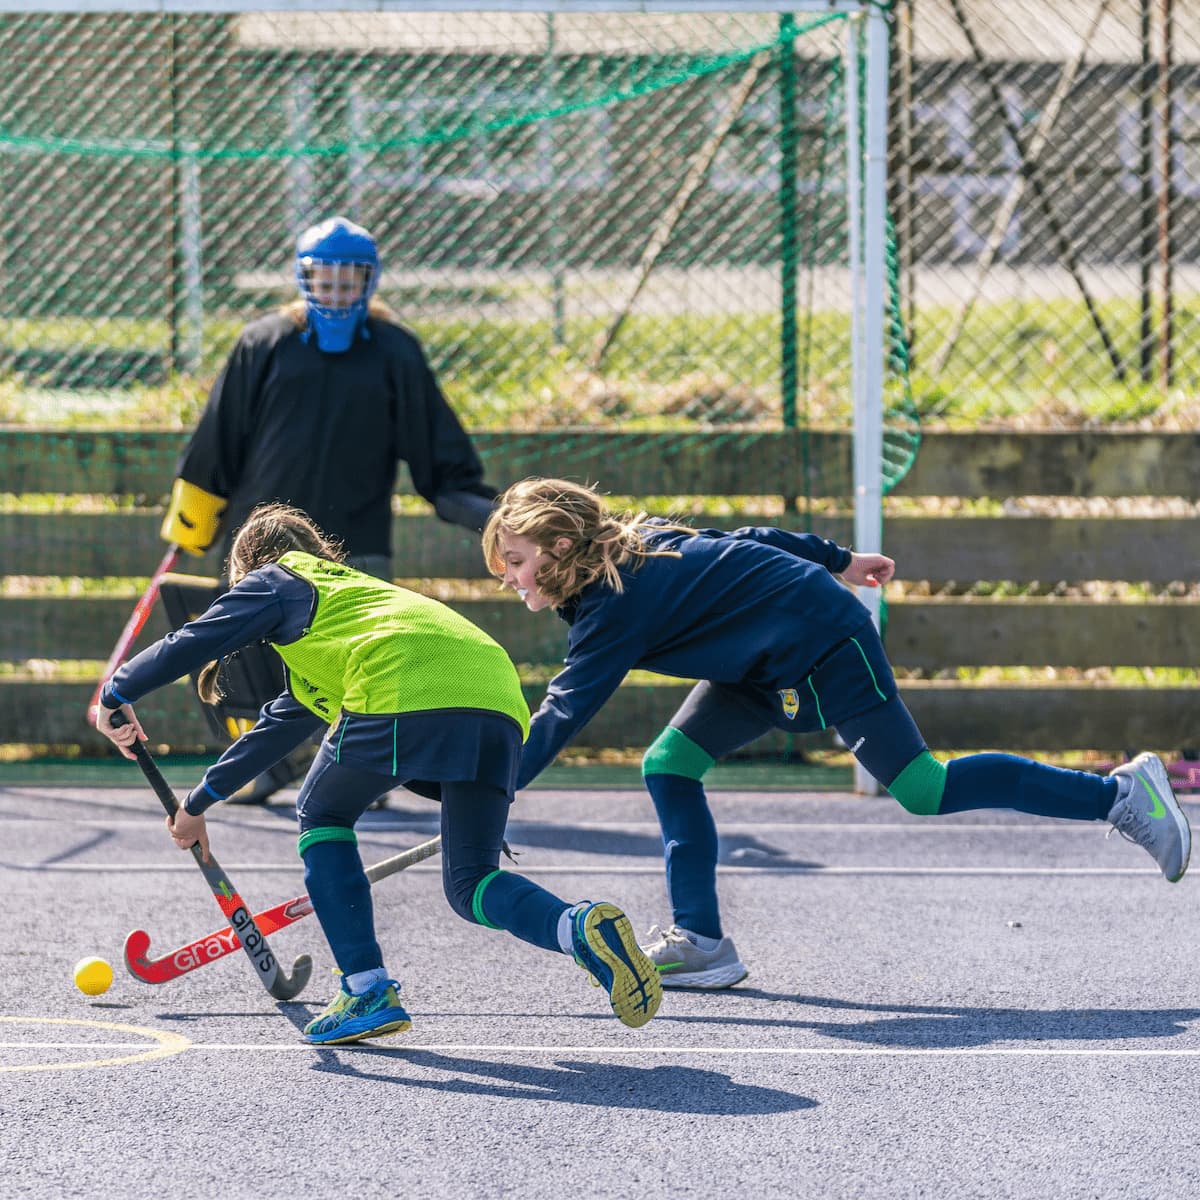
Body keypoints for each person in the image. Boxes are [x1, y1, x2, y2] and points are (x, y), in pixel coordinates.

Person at [482, 477, 1191, 990]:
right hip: (761, 657)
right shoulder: (632, 554)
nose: (509, 579)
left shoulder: (615, 603)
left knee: (923, 788)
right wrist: (837, 557)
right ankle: (700, 939)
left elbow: (564, 710)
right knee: (669, 765)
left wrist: (490, 791)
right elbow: (746, 540)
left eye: (516, 562)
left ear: (562, 546)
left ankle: (1120, 795)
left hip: (822, 640)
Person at [92, 502, 661, 1044]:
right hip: (498, 700)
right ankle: (575, 927)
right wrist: (196, 805)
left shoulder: (281, 578)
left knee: (322, 812)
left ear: (250, 572)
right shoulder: (349, 609)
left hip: (401, 681)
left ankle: (365, 989)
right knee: (471, 884)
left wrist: (115, 693)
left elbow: (191, 640)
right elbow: (280, 726)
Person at [157, 215, 499, 799]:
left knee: (364, 660)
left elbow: (439, 458)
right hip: (265, 543)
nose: (336, 290)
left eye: (349, 279)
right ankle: (267, 766)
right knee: (258, 658)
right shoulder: (263, 342)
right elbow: (217, 443)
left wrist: (488, 513)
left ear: (369, 281)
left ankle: (363, 772)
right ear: (304, 278)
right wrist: (191, 527)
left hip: (355, 542)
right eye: (325, 277)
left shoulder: (395, 351)